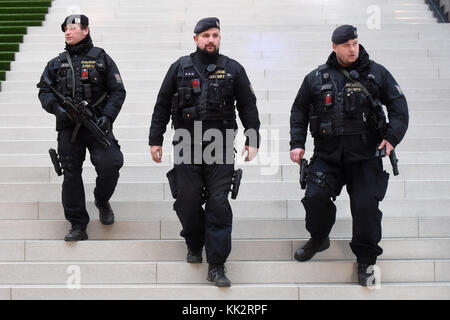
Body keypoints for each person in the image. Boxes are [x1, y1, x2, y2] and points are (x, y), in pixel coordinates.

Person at [289, 25, 409, 286]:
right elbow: (298, 110)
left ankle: (366, 261)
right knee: (315, 198)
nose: (352, 48)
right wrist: (297, 144)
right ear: (334, 47)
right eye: (346, 45)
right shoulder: (316, 77)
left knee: (365, 208)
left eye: (355, 43)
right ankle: (319, 238)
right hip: (327, 155)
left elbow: (400, 109)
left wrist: (391, 138)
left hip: (366, 156)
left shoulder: (377, 74)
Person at [148, 17, 260, 287]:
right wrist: (155, 140)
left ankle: (217, 265)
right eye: (206, 35)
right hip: (186, 143)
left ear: (220, 38)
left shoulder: (233, 69)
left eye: (216, 35)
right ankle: (195, 241)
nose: (211, 39)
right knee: (187, 199)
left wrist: (252, 138)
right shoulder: (179, 68)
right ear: (196, 39)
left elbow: (248, 105)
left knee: (219, 203)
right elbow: (162, 105)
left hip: (220, 146)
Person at [38, 14, 126, 241]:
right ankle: (78, 224)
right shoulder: (55, 63)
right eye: (66, 29)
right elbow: (44, 91)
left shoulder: (101, 59)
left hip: (97, 123)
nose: (68, 32)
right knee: (70, 174)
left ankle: (101, 199)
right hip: (68, 128)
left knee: (111, 163)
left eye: (73, 28)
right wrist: (56, 109)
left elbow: (118, 91)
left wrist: (107, 116)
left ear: (85, 30)